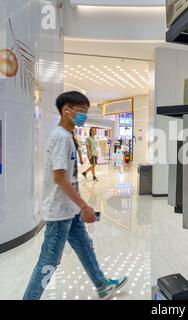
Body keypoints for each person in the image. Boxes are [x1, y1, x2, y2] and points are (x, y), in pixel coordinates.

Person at [23, 91, 128, 300]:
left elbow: (69, 177)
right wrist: (84, 206)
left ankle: (102, 285)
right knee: (49, 261)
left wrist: (78, 207)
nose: (84, 115)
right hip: (59, 213)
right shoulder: (61, 137)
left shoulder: (66, 136)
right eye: (81, 111)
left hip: (69, 210)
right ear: (66, 110)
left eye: (86, 111)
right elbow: (60, 178)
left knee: (85, 247)